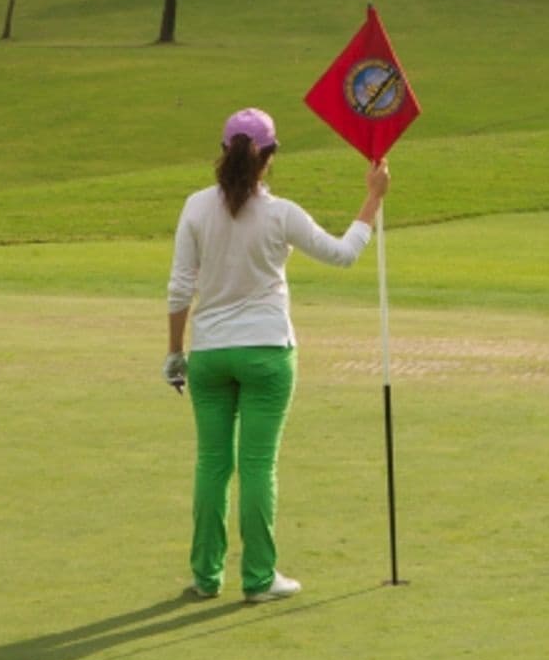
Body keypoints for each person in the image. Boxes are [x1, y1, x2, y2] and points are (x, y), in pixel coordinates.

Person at [165, 109, 385, 604]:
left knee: (212, 464)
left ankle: (206, 576)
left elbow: (180, 289)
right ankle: (259, 579)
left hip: (210, 355)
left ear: (223, 152)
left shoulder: (195, 208)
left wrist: (174, 354)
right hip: (266, 352)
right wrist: (373, 198)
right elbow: (342, 253)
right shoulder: (281, 213)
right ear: (269, 159)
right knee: (258, 465)